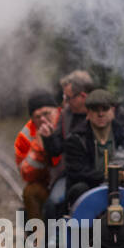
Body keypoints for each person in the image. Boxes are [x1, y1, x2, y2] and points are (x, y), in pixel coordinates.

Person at [61, 88, 124, 210]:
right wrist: (119, 175)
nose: (100, 114)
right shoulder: (76, 138)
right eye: (95, 109)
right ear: (88, 113)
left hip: (121, 186)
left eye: (105, 109)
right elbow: (79, 172)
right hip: (90, 186)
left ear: (113, 111)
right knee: (79, 189)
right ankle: (83, 228)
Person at [39, 69, 94, 221]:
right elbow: (56, 150)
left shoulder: (100, 113)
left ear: (82, 96)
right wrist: (48, 137)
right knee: (52, 203)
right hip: (72, 174)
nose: (65, 102)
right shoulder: (66, 114)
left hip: (95, 173)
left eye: (68, 98)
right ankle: (55, 241)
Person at [14, 91, 60, 223]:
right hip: (46, 186)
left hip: (68, 183)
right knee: (30, 192)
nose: (43, 120)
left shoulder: (67, 123)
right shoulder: (25, 136)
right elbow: (26, 175)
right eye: (38, 117)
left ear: (57, 111)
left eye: (47, 113)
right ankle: (38, 238)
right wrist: (39, 149)